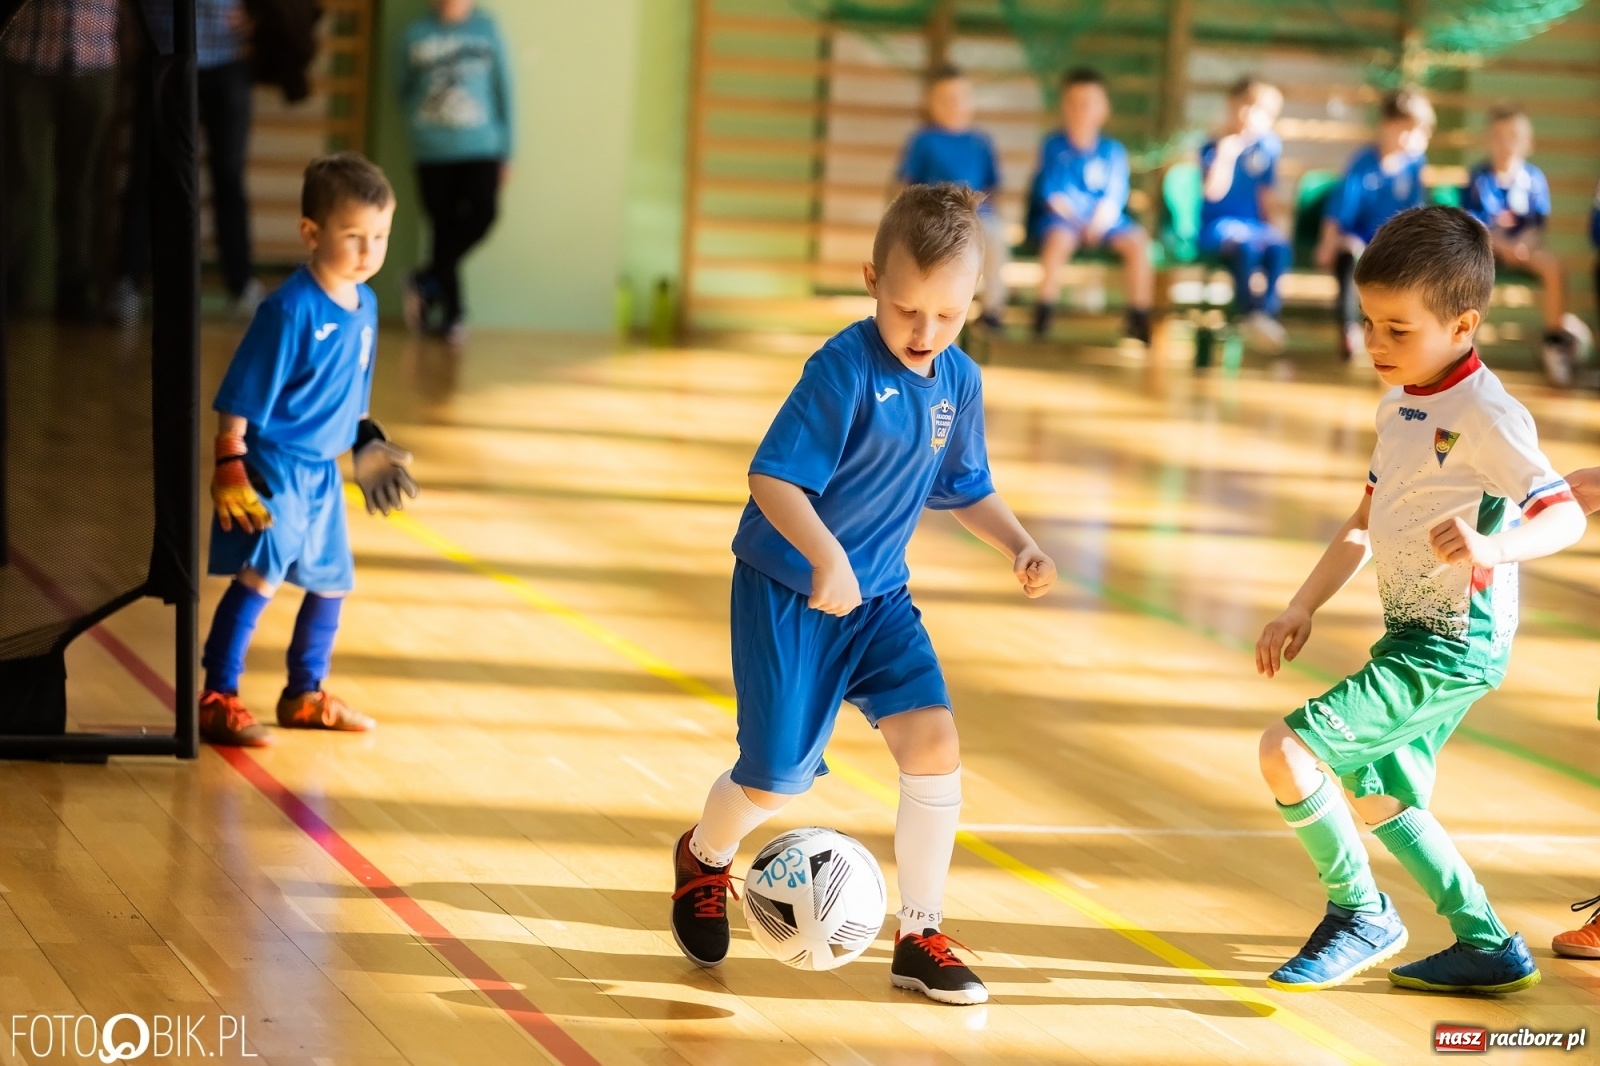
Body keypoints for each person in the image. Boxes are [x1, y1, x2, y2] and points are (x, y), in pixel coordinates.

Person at [668, 184, 1057, 1005]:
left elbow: (967, 486)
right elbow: (772, 479)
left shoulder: (960, 383)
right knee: (775, 781)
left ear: (972, 303)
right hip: (789, 593)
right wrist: (825, 557)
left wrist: (1019, 541)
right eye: (908, 309)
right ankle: (705, 858)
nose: (925, 333)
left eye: (947, 316)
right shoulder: (842, 368)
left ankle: (920, 934)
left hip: (878, 602)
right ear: (871, 279)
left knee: (935, 746)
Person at [1255, 205, 1584, 994]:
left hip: (1452, 643)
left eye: (1397, 329)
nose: (1375, 344)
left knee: (1287, 751)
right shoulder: (1400, 400)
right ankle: (1487, 943)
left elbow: (1564, 514)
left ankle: (1360, 912)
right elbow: (1365, 522)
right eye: (1369, 322)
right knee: (1378, 794)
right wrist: (1303, 605)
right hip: (1412, 635)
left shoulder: (1489, 414)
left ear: (1464, 325)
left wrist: (1494, 547)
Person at [198, 153, 420, 747]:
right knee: (262, 574)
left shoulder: (366, 305)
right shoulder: (288, 309)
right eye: (354, 236)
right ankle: (218, 695)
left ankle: (304, 694)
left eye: (380, 236)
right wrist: (230, 459)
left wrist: (366, 436)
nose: (370, 251)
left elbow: (355, 394)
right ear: (311, 233)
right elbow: (240, 394)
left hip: (323, 471)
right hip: (276, 463)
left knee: (331, 581)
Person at [398, 0, 514, 345]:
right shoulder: (414, 35)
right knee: (443, 229)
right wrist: (420, 128)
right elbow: (401, 89)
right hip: (432, 150)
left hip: (481, 146)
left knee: (483, 217)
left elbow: (505, 90)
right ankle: (453, 313)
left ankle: (427, 279)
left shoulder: (487, 28)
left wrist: (508, 149)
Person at [2, 0, 119, 320]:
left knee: (82, 182)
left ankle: (76, 286)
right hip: (28, 54)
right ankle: (10, 278)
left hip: (94, 58)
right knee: (18, 177)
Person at [1028, 67, 1154, 345]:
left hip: (1105, 223)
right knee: (1057, 241)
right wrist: (1076, 221)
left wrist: (1099, 222)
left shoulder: (1113, 150)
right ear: (1064, 107)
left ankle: (1139, 314)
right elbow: (1051, 193)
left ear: (1103, 109)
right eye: (1074, 103)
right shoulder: (1053, 146)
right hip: (1064, 221)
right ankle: (1044, 310)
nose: (1081, 110)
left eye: (1088, 103)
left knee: (1138, 242)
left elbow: (1115, 195)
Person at [1462, 104, 1578, 387]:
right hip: (1489, 249)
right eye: (1499, 136)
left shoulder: (1534, 179)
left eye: (1513, 136)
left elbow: (1538, 225)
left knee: (1553, 268)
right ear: (1488, 140)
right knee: (1467, 270)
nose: (1506, 144)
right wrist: (1503, 247)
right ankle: (1465, 349)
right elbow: (1477, 225)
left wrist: (1523, 246)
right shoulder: (1479, 178)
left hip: (1526, 249)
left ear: (1527, 142)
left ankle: (1554, 347)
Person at [1316, 87, 1435, 361]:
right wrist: (1328, 241)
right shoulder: (1363, 163)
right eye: (1404, 129)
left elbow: (1417, 217)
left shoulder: (1415, 165)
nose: (1410, 138)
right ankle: (1348, 330)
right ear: (1386, 125)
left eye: (1417, 131)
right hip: (1361, 242)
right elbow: (1341, 209)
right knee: (1348, 256)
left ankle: (1407, 334)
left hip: (1396, 246)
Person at [895, 64, 1006, 328]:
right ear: (930, 103)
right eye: (945, 99)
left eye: (959, 98)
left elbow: (993, 187)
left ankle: (993, 309)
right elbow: (906, 184)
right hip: (934, 215)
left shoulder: (981, 141)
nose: (953, 105)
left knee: (996, 240)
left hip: (977, 216)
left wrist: (990, 214)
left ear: (971, 102)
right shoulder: (923, 140)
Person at [1200, 77, 1290, 353]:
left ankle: (1268, 313)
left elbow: (1266, 195)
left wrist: (1271, 228)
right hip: (1219, 226)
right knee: (1247, 248)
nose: (1253, 117)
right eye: (1247, 106)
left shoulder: (1267, 147)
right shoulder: (1213, 145)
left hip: (1252, 226)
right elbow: (1211, 192)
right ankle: (1247, 312)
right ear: (1232, 105)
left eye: (1263, 112)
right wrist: (1225, 155)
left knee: (1278, 248)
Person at [198, 0, 265, 317]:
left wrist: (259, 14)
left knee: (229, 178)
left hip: (226, 61)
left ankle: (241, 285)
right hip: (162, 58)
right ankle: (128, 285)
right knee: (150, 177)